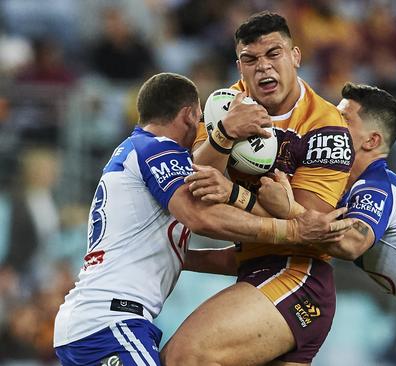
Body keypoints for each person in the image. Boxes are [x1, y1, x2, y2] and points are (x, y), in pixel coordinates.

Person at [52, 72, 350, 366]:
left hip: (96, 320)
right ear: (190, 114)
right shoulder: (155, 149)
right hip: (109, 322)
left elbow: (203, 231)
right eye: (200, 122)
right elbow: (200, 216)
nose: (201, 130)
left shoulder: (135, 152)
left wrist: (185, 256)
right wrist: (292, 229)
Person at [185, 83, 396, 365]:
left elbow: (351, 243)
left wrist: (287, 208)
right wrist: (183, 257)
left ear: (372, 140)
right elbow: (271, 241)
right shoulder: (340, 194)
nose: (331, 122)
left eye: (343, 118)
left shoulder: (377, 188)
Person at [161, 12, 354, 366]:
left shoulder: (326, 127)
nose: (263, 68)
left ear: (295, 56)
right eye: (250, 59)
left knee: (185, 356)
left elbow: (308, 226)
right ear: (239, 66)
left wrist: (235, 195)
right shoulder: (224, 104)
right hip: (255, 272)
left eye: (273, 54)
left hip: (299, 278)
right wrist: (224, 135)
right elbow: (192, 195)